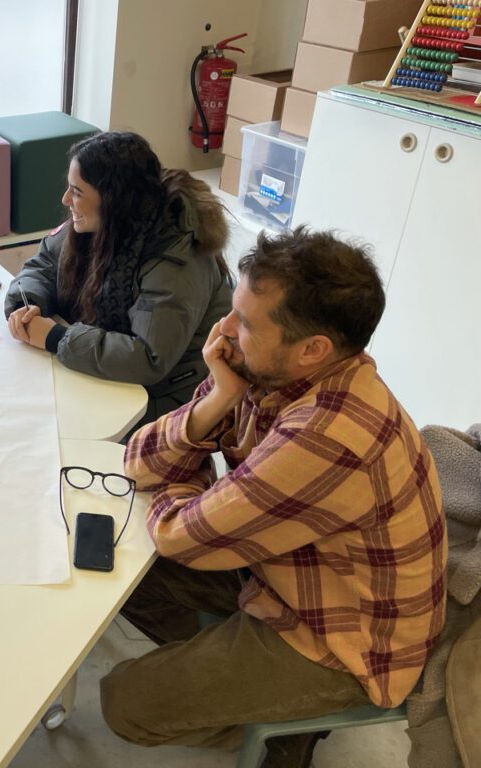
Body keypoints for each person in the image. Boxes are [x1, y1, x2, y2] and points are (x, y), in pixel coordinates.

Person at [99, 227, 447, 767]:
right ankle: (234, 682)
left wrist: (184, 482)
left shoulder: (328, 435)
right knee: (123, 567)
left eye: (246, 322)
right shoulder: (263, 372)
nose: (225, 331)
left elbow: (177, 536)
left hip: (341, 642)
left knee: (124, 704)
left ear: (313, 350)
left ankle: (283, 729)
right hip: (281, 572)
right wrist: (218, 399)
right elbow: (138, 462)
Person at [5, 131, 233, 425]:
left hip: (162, 401)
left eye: (77, 191)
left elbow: (149, 358)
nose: (65, 200)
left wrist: (57, 338)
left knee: (43, 423)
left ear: (112, 200)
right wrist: (28, 303)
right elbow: (45, 264)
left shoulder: (176, 259)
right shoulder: (103, 223)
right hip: (110, 379)